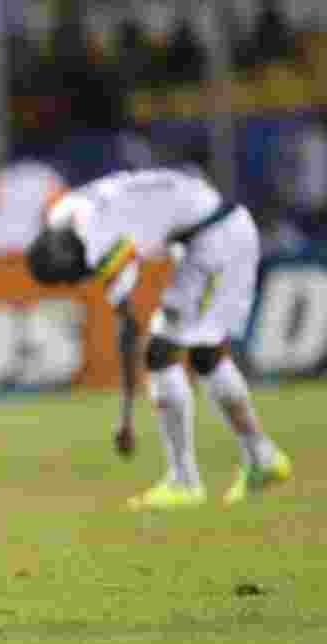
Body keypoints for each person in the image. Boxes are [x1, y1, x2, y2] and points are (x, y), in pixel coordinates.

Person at [25, 169, 292, 510]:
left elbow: (129, 326)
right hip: (210, 230)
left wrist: (125, 418)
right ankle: (263, 458)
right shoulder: (63, 214)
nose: (80, 281)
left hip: (215, 240)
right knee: (205, 355)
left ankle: (184, 481)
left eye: (75, 276)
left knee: (160, 352)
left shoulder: (96, 243)